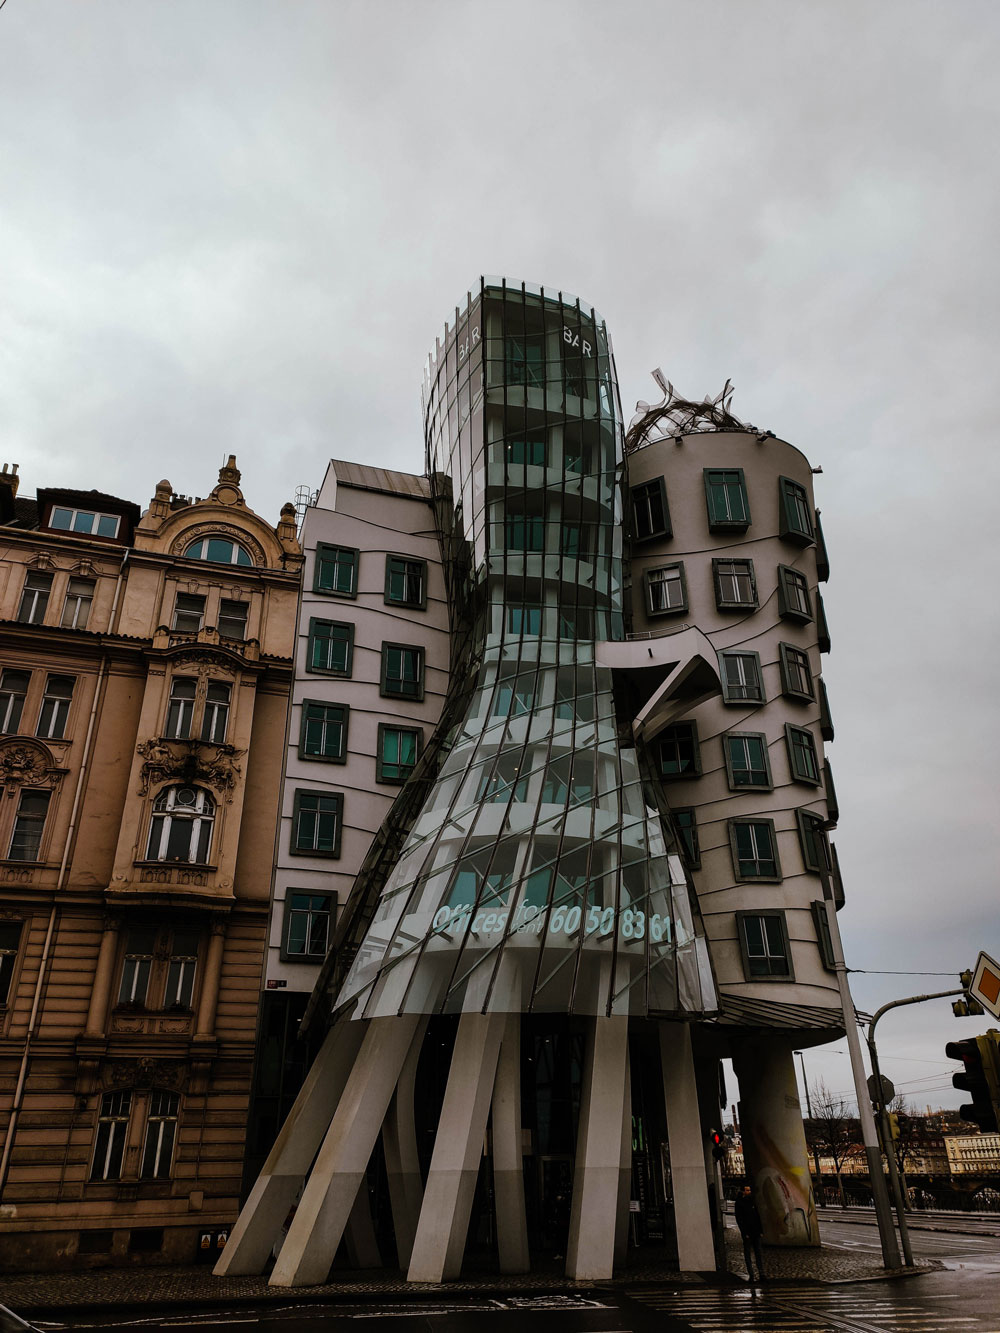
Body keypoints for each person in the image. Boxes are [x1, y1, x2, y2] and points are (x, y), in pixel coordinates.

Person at [734, 1183, 766, 1283]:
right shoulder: (739, 1203)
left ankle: (761, 1273)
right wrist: (744, 1232)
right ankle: (751, 1274)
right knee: (748, 1253)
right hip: (748, 1232)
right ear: (743, 1191)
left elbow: (757, 1216)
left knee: (758, 1253)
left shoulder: (752, 1201)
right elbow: (739, 1219)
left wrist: (760, 1230)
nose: (749, 1192)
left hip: (755, 1231)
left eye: (749, 1190)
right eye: (747, 1190)